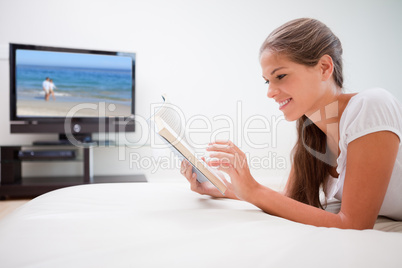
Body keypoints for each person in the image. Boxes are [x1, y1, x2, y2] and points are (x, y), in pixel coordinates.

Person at [180, 18, 402, 230]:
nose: (269, 92)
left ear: (324, 67)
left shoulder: (371, 106)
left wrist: (253, 189)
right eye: (267, 81)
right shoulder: (312, 133)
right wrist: (220, 187)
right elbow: (289, 200)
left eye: (281, 76)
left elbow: (354, 225)